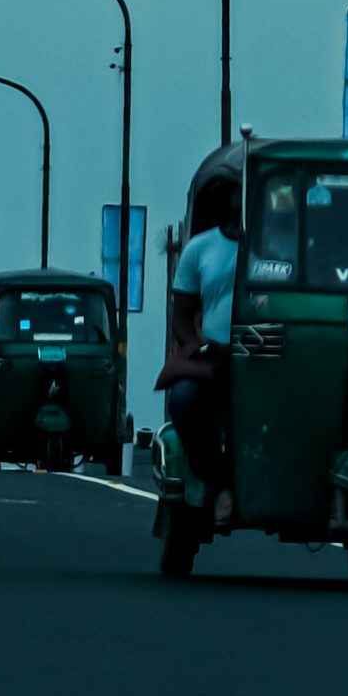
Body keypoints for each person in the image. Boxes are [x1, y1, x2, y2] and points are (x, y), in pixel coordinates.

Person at [161, 167, 240, 506]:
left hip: (271, 354)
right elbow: (180, 315)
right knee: (183, 399)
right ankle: (214, 480)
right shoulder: (199, 248)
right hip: (216, 357)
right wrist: (197, 347)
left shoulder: (280, 245)